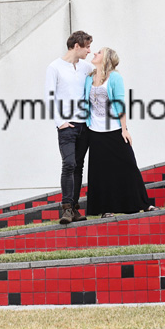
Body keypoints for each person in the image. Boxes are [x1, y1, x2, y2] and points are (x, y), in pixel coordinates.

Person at [84, 47, 156, 217]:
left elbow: (120, 104)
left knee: (128, 166)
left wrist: (125, 130)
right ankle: (106, 209)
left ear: (107, 58)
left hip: (115, 130)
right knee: (101, 172)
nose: (95, 53)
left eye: (99, 52)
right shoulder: (89, 78)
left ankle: (144, 204)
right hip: (95, 132)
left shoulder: (115, 78)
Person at [45, 31, 94, 224]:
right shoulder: (54, 67)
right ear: (76, 46)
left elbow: (103, 74)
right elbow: (49, 97)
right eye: (87, 47)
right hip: (67, 126)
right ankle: (66, 208)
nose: (89, 51)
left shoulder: (86, 67)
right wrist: (60, 122)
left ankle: (74, 208)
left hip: (85, 125)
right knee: (69, 164)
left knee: (78, 167)